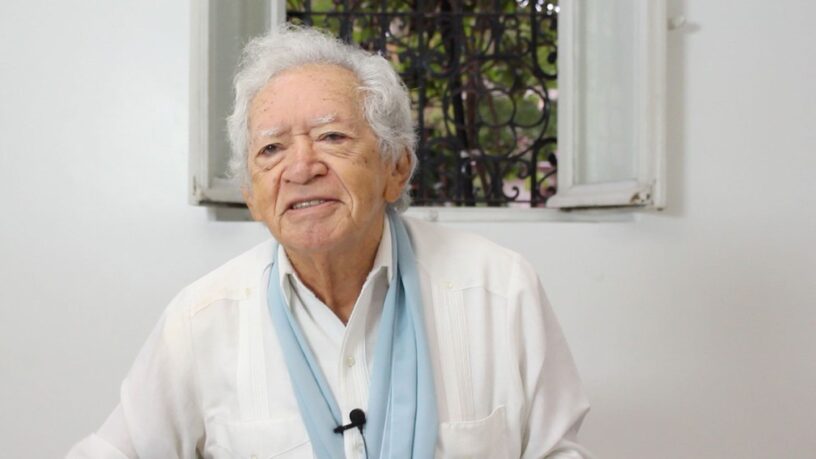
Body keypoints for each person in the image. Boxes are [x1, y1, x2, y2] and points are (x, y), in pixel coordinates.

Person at [68, 24, 592, 459]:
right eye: (271, 149)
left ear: (396, 168)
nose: (301, 168)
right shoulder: (201, 320)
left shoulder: (499, 290)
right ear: (252, 197)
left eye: (331, 137)